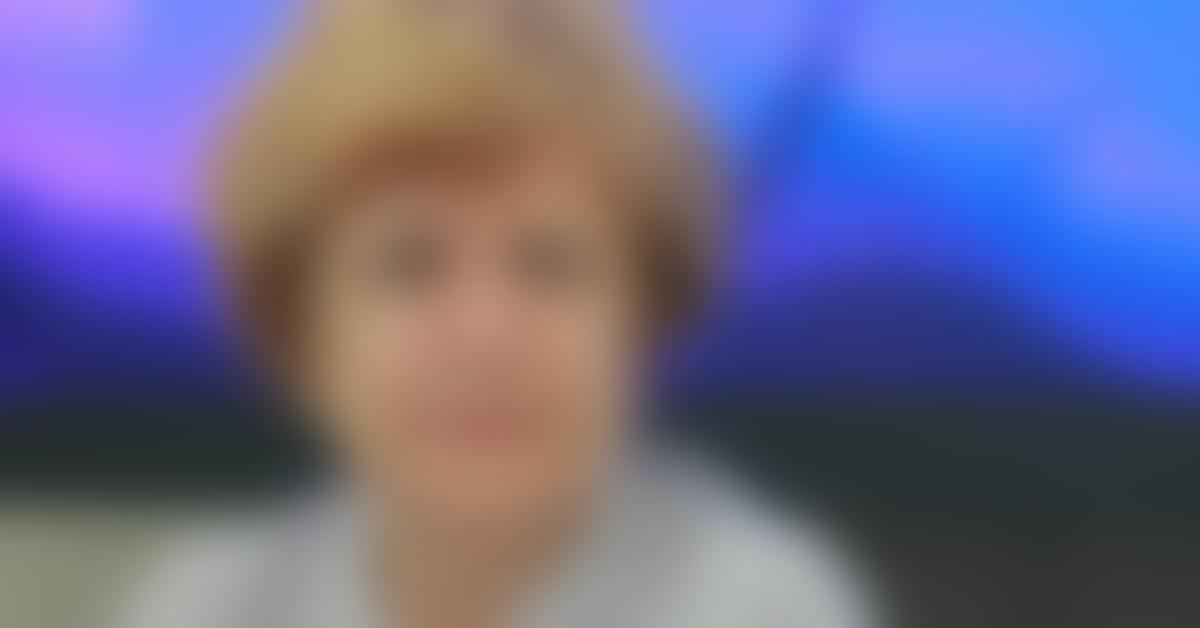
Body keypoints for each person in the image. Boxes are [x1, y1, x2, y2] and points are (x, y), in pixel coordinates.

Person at [123, 1, 874, 627]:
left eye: (547, 264)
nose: (485, 335)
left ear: (644, 318)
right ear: (301, 329)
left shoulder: (765, 606)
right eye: (412, 265)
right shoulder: (207, 607)